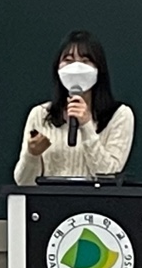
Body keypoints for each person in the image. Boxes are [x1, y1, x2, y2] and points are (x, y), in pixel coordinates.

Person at [13, 30, 134, 185]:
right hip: (50, 199)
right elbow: (23, 182)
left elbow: (109, 175)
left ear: (99, 68)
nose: (76, 67)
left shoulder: (119, 115)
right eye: (68, 60)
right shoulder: (40, 115)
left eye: (85, 61)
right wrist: (32, 155)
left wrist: (87, 126)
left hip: (96, 200)